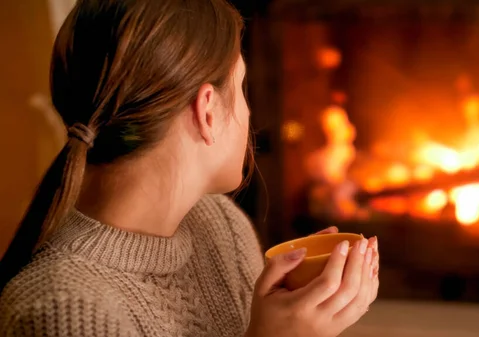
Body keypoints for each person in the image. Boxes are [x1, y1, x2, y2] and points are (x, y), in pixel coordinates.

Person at [0, 0, 379, 336]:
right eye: (242, 88)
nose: (249, 112)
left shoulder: (220, 226)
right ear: (208, 110)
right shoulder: (61, 312)